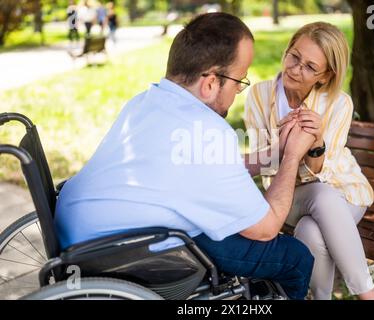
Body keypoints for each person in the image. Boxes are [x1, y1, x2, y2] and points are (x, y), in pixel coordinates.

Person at [55, 13, 315, 300]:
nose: (239, 90)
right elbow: (266, 228)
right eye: (239, 81)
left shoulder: (146, 102)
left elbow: (203, 165)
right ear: (210, 84)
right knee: (294, 257)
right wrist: (291, 156)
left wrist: (272, 155)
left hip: (79, 237)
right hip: (125, 254)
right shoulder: (207, 130)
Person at [244, 22, 374, 300]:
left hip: (346, 192)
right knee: (320, 195)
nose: (295, 69)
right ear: (288, 48)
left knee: (311, 227)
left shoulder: (339, 103)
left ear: (325, 75)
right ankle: (369, 296)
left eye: (309, 67)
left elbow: (320, 172)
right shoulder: (259, 95)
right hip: (288, 196)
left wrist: (315, 145)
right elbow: (263, 164)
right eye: (294, 56)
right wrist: (285, 146)